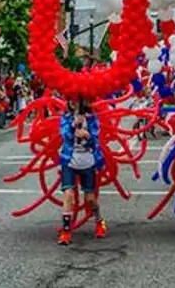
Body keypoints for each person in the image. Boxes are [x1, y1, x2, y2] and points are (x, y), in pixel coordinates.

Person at [56, 99, 105, 245]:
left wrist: (88, 136)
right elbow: (65, 136)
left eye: (76, 101)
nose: (73, 103)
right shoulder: (66, 118)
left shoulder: (92, 119)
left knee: (90, 198)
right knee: (68, 194)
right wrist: (73, 127)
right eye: (70, 100)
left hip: (88, 162)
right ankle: (66, 232)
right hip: (69, 161)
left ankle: (99, 221)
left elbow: (96, 142)